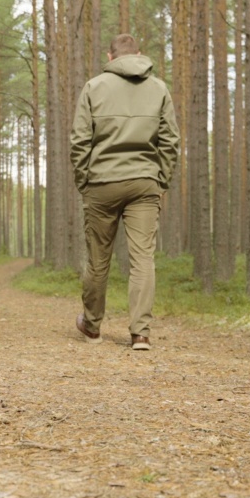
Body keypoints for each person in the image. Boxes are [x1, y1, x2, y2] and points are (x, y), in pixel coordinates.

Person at [70, 33, 179, 351]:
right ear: (140, 54)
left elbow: (80, 140)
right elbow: (170, 140)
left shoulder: (94, 87)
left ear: (110, 56)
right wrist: (161, 179)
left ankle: (92, 327)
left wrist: (84, 180)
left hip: (101, 182)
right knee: (143, 258)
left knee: (98, 259)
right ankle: (141, 334)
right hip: (144, 181)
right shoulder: (159, 88)